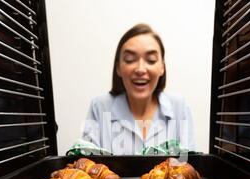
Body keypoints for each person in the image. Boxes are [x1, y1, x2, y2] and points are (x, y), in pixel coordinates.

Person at [81, 23, 195, 155]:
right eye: (130, 60)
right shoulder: (99, 107)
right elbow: (88, 166)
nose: (140, 69)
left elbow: (188, 166)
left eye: (151, 60)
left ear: (162, 67)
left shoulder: (179, 107)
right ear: (118, 67)